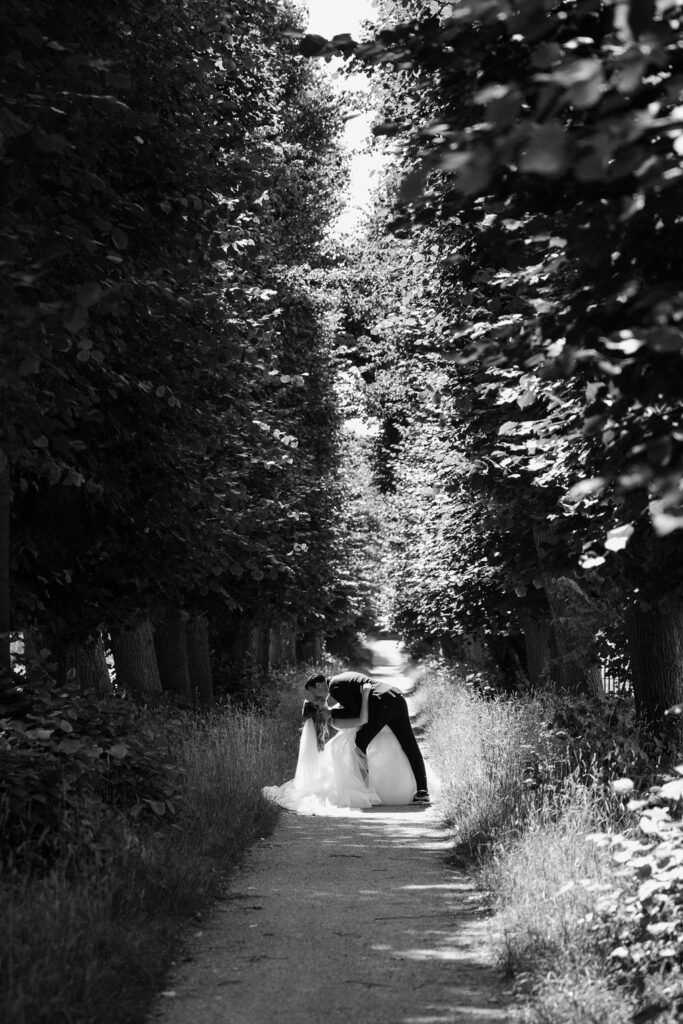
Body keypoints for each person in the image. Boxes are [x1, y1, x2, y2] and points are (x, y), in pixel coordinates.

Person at [262, 669, 434, 815]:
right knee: (409, 744)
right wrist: (333, 713)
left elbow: (356, 713)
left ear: (320, 684)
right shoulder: (341, 680)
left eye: (314, 693)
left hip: (382, 703)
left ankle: (367, 790)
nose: (315, 697)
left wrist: (332, 713)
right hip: (395, 696)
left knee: (361, 741)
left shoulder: (335, 687)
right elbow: (355, 709)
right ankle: (422, 791)